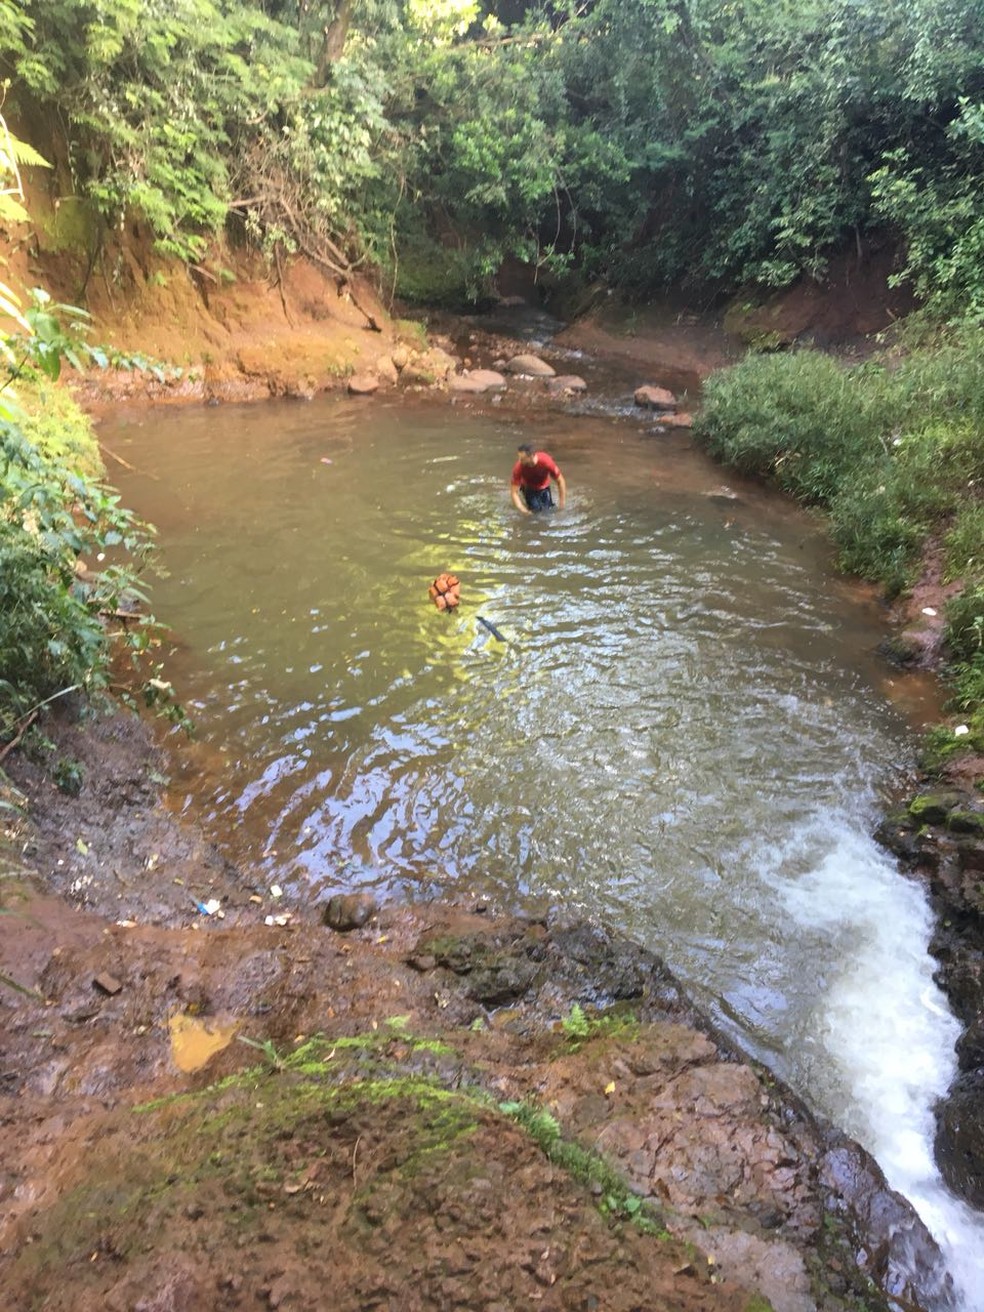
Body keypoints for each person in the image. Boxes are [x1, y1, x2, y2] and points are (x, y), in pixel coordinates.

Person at [510, 443, 567, 515]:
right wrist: (523, 510)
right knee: (536, 512)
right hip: (528, 488)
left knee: (548, 510)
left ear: (531, 456)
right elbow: (514, 493)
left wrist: (562, 503)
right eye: (519, 458)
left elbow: (560, 480)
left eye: (522, 459)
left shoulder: (546, 461)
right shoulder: (518, 468)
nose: (519, 461)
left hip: (544, 486)